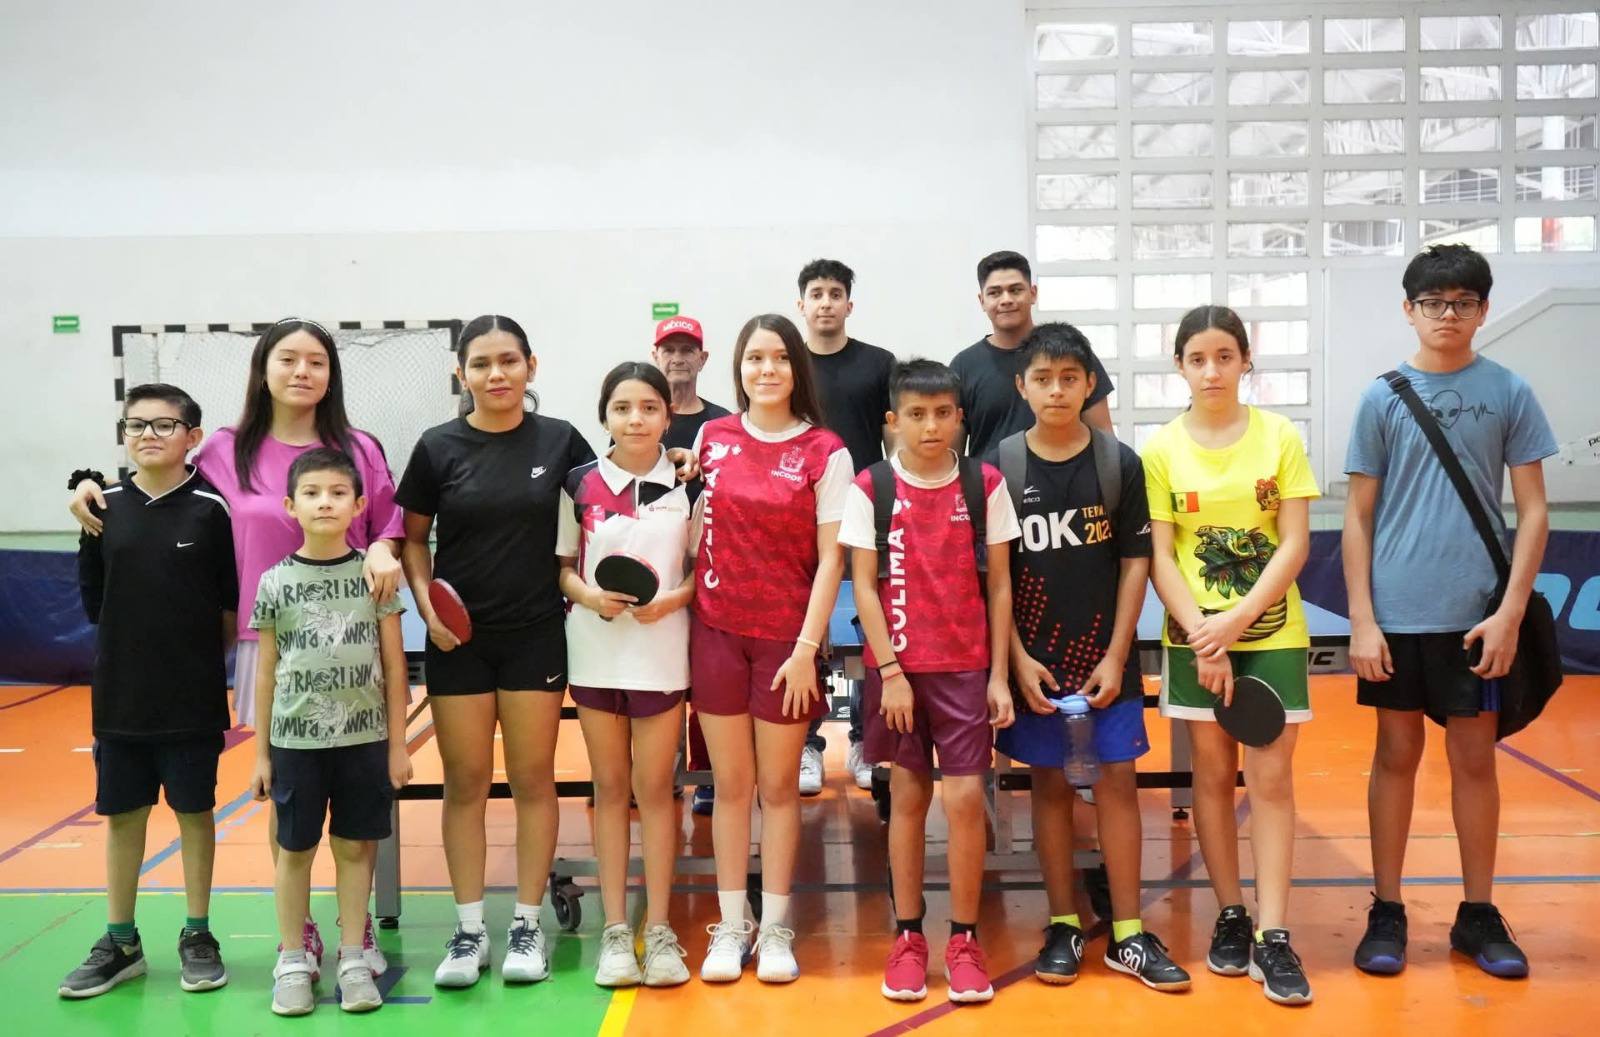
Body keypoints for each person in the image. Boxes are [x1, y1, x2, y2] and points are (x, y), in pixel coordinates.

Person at [68, 318, 406, 975]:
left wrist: (385, 546)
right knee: (290, 790)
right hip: (270, 639)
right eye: (288, 359)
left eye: (316, 361)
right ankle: (297, 930)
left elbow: (386, 519)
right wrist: (85, 481)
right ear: (263, 369)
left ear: (331, 374)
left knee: (354, 791)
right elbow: (157, 481)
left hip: (352, 637)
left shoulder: (358, 446)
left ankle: (355, 925)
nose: (302, 371)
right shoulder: (225, 448)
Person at [1344, 244, 1553, 979]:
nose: (1447, 314)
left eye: (1463, 302)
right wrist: (1362, 618)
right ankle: (1387, 908)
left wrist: (1510, 614)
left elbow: (1533, 511)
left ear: (1483, 310)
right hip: (1397, 614)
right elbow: (1357, 516)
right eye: (1433, 302)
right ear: (1409, 309)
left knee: (1473, 761)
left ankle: (1478, 912)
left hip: (1476, 616)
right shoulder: (1380, 398)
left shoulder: (1510, 391)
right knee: (1395, 755)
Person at [397, 315, 598, 988]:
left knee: (533, 778)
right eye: (481, 364)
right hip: (458, 639)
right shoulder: (437, 447)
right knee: (465, 782)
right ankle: (468, 930)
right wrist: (427, 607)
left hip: (535, 634)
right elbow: (413, 539)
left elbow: (608, 499)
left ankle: (527, 924)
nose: (496, 374)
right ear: (462, 374)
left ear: (530, 366)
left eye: (508, 361)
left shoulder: (561, 440)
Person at [989, 325, 1190, 992]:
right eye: (1043, 378)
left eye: (1070, 378)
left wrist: (1118, 653)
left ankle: (1128, 933)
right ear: (1022, 386)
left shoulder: (1118, 462)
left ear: (1089, 385)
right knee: (1048, 788)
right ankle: (1063, 923)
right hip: (1036, 663)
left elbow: (1136, 562)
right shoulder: (1000, 468)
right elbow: (994, 578)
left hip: (1106, 659)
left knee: (1117, 785)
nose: (1056, 390)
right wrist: (1016, 658)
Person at [1143, 306, 1319, 1006]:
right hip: (1194, 637)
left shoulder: (1280, 437)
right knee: (1211, 778)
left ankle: (1274, 934)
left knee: (1271, 782)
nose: (1211, 370)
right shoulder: (1160, 450)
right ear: (1180, 366)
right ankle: (1232, 913)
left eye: (1224, 356)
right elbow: (1161, 555)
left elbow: (1295, 541)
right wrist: (1202, 633)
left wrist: (1237, 621)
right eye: (1197, 358)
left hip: (1271, 633)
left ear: (1246, 360)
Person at [839, 359, 1019, 1003]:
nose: (931, 425)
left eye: (943, 413)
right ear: (893, 421)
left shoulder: (984, 483)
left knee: (967, 801)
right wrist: (890, 672)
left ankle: (965, 939)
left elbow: (1001, 585)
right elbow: (864, 585)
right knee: (908, 798)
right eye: (916, 414)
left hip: (965, 669)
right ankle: (909, 936)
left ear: (960, 418)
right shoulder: (872, 486)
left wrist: (999, 676)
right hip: (899, 672)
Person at [59, 384, 237, 1000]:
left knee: (195, 814)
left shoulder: (211, 510)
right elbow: (95, 602)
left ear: (192, 436)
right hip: (120, 699)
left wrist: (196, 665)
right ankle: (121, 943)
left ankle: (198, 934)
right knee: (123, 817)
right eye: (136, 425)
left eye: (164, 424)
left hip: (192, 699)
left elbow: (227, 605)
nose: (148, 435)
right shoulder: (100, 507)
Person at [691, 314, 851, 984]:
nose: (767, 369)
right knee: (731, 788)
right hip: (715, 632)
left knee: (780, 789)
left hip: (787, 643)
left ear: (796, 369)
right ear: (739, 367)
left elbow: (832, 559)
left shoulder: (825, 451)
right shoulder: (711, 437)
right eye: (755, 357)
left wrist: (807, 647)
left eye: (780, 357)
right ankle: (733, 925)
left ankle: (778, 926)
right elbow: (695, 529)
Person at [249, 448, 411, 1016]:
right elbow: (266, 672)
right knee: (294, 850)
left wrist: (397, 746)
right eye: (312, 493)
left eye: (338, 493)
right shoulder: (274, 582)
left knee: (353, 848)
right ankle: (293, 958)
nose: (325, 502)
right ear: (290, 506)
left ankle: (352, 957)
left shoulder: (374, 577)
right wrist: (262, 755)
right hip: (296, 744)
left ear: (359, 506)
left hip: (364, 742)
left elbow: (395, 668)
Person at [557, 362, 694, 989]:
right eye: (622, 408)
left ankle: (659, 929)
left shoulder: (691, 484)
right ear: (605, 415)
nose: (635, 419)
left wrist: (673, 600)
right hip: (595, 650)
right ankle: (616, 931)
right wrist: (589, 596)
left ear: (668, 416)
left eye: (648, 408)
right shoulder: (579, 483)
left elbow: (699, 569)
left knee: (656, 790)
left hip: (661, 651)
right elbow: (564, 568)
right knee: (609, 789)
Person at [797, 258, 898, 793]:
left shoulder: (879, 364)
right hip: (801, 514)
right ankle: (807, 744)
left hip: (865, 515)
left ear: (849, 304)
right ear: (802, 305)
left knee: (869, 626)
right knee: (806, 627)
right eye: (816, 293)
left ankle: (864, 740)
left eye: (835, 293)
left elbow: (893, 445)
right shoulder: (789, 364)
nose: (826, 302)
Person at [652, 314, 730, 818]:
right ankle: (655, 774)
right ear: (655, 356)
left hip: (708, 569)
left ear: (703, 359)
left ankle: (704, 776)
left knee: (706, 678)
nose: (678, 358)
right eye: (670, 350)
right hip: (653, 569)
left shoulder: (721, 424)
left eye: (687, 350)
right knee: (656, 678)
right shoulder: (642, 416)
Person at [952, 250, 1116, 458]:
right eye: (995, 293)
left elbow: (1105, 441)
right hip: (989, 479)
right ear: (982, 300)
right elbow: (951, 456)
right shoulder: (964, 366)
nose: (1006, 300)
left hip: (1068, 476)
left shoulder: (1072, 354)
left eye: (1015, 290)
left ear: (1033, 293)